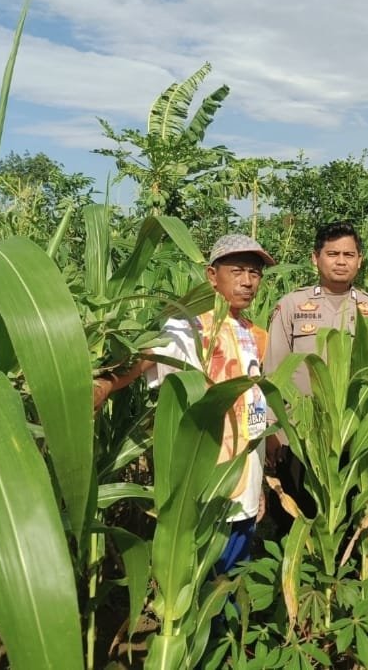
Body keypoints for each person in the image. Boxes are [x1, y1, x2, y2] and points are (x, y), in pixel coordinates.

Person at [93, 233, 276, 574]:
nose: (248, 282)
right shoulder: (187, 326)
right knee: (200, 576)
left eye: (255, 274)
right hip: (204, 481)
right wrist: (106, 384)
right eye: (237, 271)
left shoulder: (256, 334)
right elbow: (145, 358)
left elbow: (255, 411)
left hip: (245, 483)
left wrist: (259, 484)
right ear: (211, 275)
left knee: (232, 579)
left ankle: (225, 628)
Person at [264, 221, 368, 525]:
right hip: (299, 436)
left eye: (349, 255)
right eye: (332, 253)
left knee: (348, 516)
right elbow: (273, 371)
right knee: (295, 518)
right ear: (315, 258)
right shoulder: (291, 306)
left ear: (360, 260)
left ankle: (341, 573)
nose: (341, 261)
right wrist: (272, 429)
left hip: (354, 433)